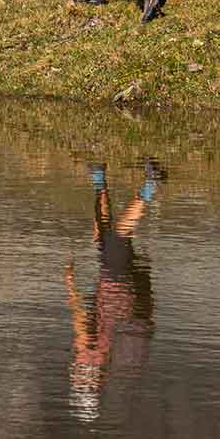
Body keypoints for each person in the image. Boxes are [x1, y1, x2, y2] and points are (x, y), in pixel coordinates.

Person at [65, 158, 162, 420]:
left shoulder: (113, 365)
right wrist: (70, 287)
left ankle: (99, 176)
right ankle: (151, 185)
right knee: (119, 233)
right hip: (116, 284)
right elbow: (82, 321)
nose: (75, 373)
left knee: (102, 234)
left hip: (130, 296)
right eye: (78, 379)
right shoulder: (90, 357)